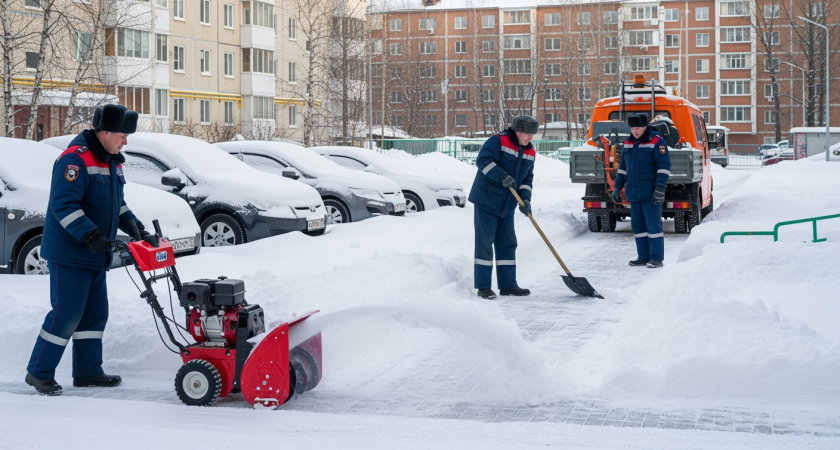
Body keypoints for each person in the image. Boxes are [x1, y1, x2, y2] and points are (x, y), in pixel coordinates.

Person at [25, 104, 146, 395]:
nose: (125, 141)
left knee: (94, 315)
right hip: (70, 253)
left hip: (94, 254)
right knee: (66, 314)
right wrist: (91, 235)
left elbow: (115, 203)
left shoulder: (111, 160)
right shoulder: (75, 160)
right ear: (105, 132)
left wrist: (132, 224)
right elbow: (64, 205)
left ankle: (88, 371)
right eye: (122, 134)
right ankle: (39, 372)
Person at [468, 116, 538, 299]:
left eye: (532, 134)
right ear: (518, 130)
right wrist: (501, 176)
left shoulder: (530, 151)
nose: (531, 137)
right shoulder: (498, 140)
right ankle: (483, 286)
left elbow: (527, 179)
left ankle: (508, 285)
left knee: (507, 243)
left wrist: (525, 199)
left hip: (508, 205)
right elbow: (483, 160)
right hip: (487, 200)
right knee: (484, 243)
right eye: (528, 133)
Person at [612, 114, 671, 268]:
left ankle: (656, 258)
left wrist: (660, 188)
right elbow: (623, 168)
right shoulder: (628, 143)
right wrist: (617, 187)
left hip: (650, 193)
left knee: (653, 227)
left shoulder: (657, 142)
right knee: (638, 227)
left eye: (637, 127)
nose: (634, 131)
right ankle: (643, 256)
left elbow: (664, 167)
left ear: (645, 126)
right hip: (634, 193)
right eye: (632, 128)